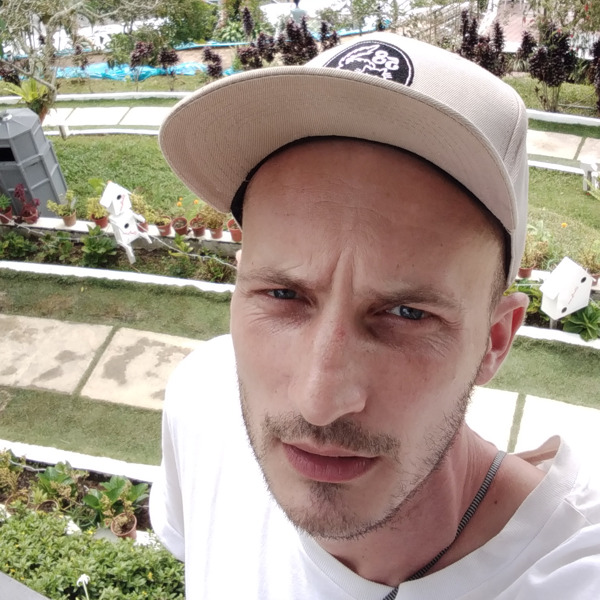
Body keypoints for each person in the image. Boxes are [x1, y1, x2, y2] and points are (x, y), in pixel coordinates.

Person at [150, 33, 600, 598]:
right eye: (282, 295)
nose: (318, 401)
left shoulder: (570, 575)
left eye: (407, 313)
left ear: (494, 341)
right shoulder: (202, 403)